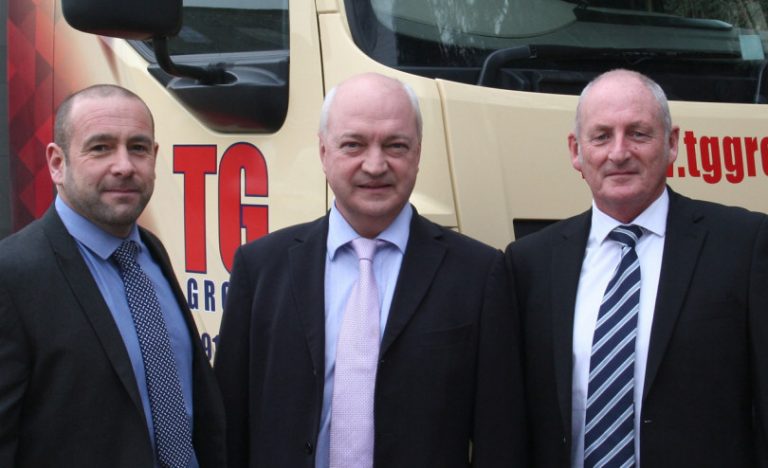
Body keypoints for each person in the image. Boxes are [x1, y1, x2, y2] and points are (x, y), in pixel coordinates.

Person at [214, 72, 526, 468]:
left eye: (395, 145)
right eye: (353, 145)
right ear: (324, 152)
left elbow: (500, 438)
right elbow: (228, 425)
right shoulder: (260, 268)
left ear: (417, 153)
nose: (375, 165)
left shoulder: (479, 274)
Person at [505, 68, 768, 467]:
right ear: (576, 150)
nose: (619, 152)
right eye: (602, 135)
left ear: (672, 143)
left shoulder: (744, 245)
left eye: (639, 133)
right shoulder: (529, 263)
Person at [0, 84, 226, 468]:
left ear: (154, 158)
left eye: (137, 148)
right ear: (57, 163)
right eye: (100, 147)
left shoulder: (149, 253)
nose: (123, 165)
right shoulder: (13, 275)